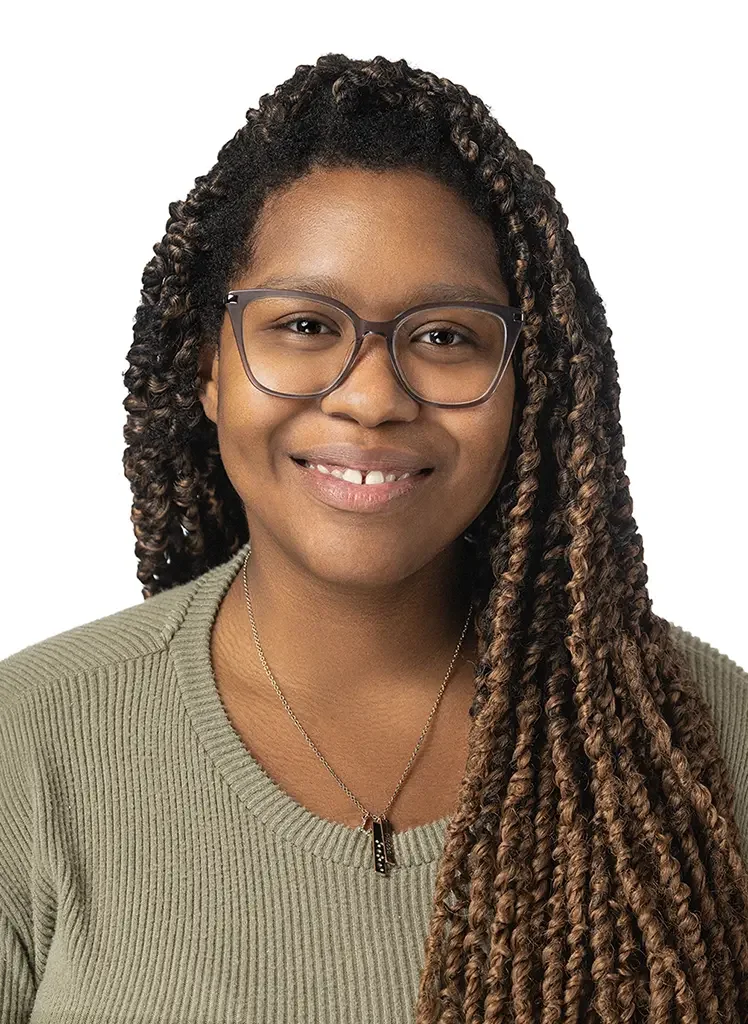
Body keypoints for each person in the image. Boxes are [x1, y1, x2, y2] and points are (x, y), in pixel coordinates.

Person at [1, 53, 746, 1024]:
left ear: (529, 388)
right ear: (209, 368)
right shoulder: (32, 745)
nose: (370, 396)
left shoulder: (704, 752)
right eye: (306, 323)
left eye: (444, 336)